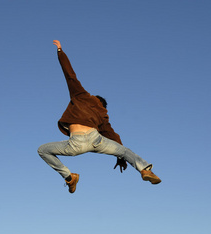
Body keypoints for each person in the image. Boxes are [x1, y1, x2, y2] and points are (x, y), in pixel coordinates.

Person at [38, 40, 161, 193]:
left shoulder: (82, 95)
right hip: (97, 140)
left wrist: (60, 52)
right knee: (124, 150)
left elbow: (70, 75)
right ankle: (145, 169)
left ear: (95, 98)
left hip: (76, 143)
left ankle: (69, 177)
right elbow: (113, 135)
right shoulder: (102, 114)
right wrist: (120, 157)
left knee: (43, 150)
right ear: (103, 105)